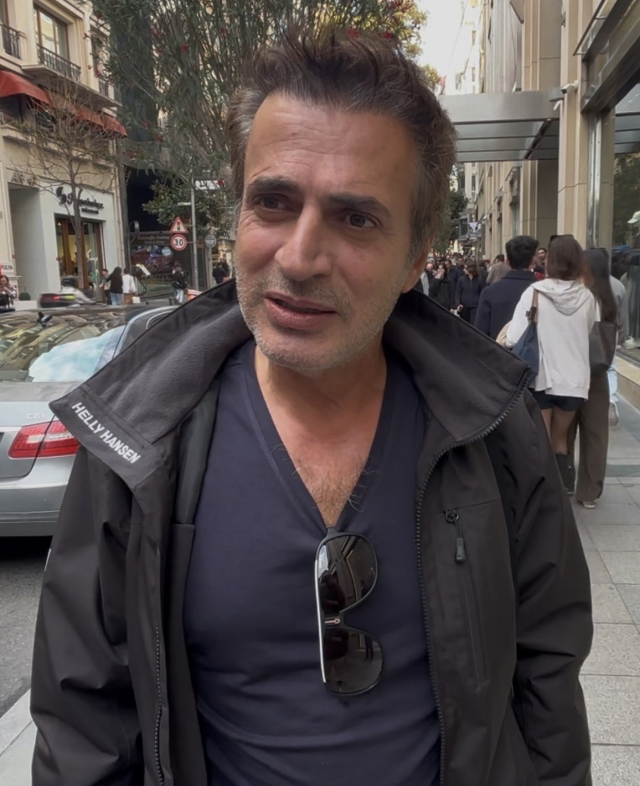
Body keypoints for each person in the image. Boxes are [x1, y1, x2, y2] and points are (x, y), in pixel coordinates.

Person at [31, 29, 592, 786]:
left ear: (417, 255)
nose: (298, 257)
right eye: (273, 202)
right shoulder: (139, 443)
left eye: (355, 218)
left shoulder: (493, 430)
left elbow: (547, 678)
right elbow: (83, 720)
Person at [507, 236, 598, 492]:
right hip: (575, 380)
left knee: (542, 440)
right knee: (561, 440)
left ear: (550, 260)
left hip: (542, 377)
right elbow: (588, 330)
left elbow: (513, 337)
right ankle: (565, 489)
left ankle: (548, 496)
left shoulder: (534, 292)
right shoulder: (587, 297)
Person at [567, 249, 618, 508]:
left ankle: (565, 481)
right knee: (596, 434)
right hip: (598, 372)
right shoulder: (611, 298)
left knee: (565, 429)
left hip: (572, 368)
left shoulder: (579, 296)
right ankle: (589, 491)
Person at [475, 235, 538, 339]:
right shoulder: (543, 292)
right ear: (533, 261)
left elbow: (480, 335)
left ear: (507, 261)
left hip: (498, 347)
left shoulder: (490, 292)